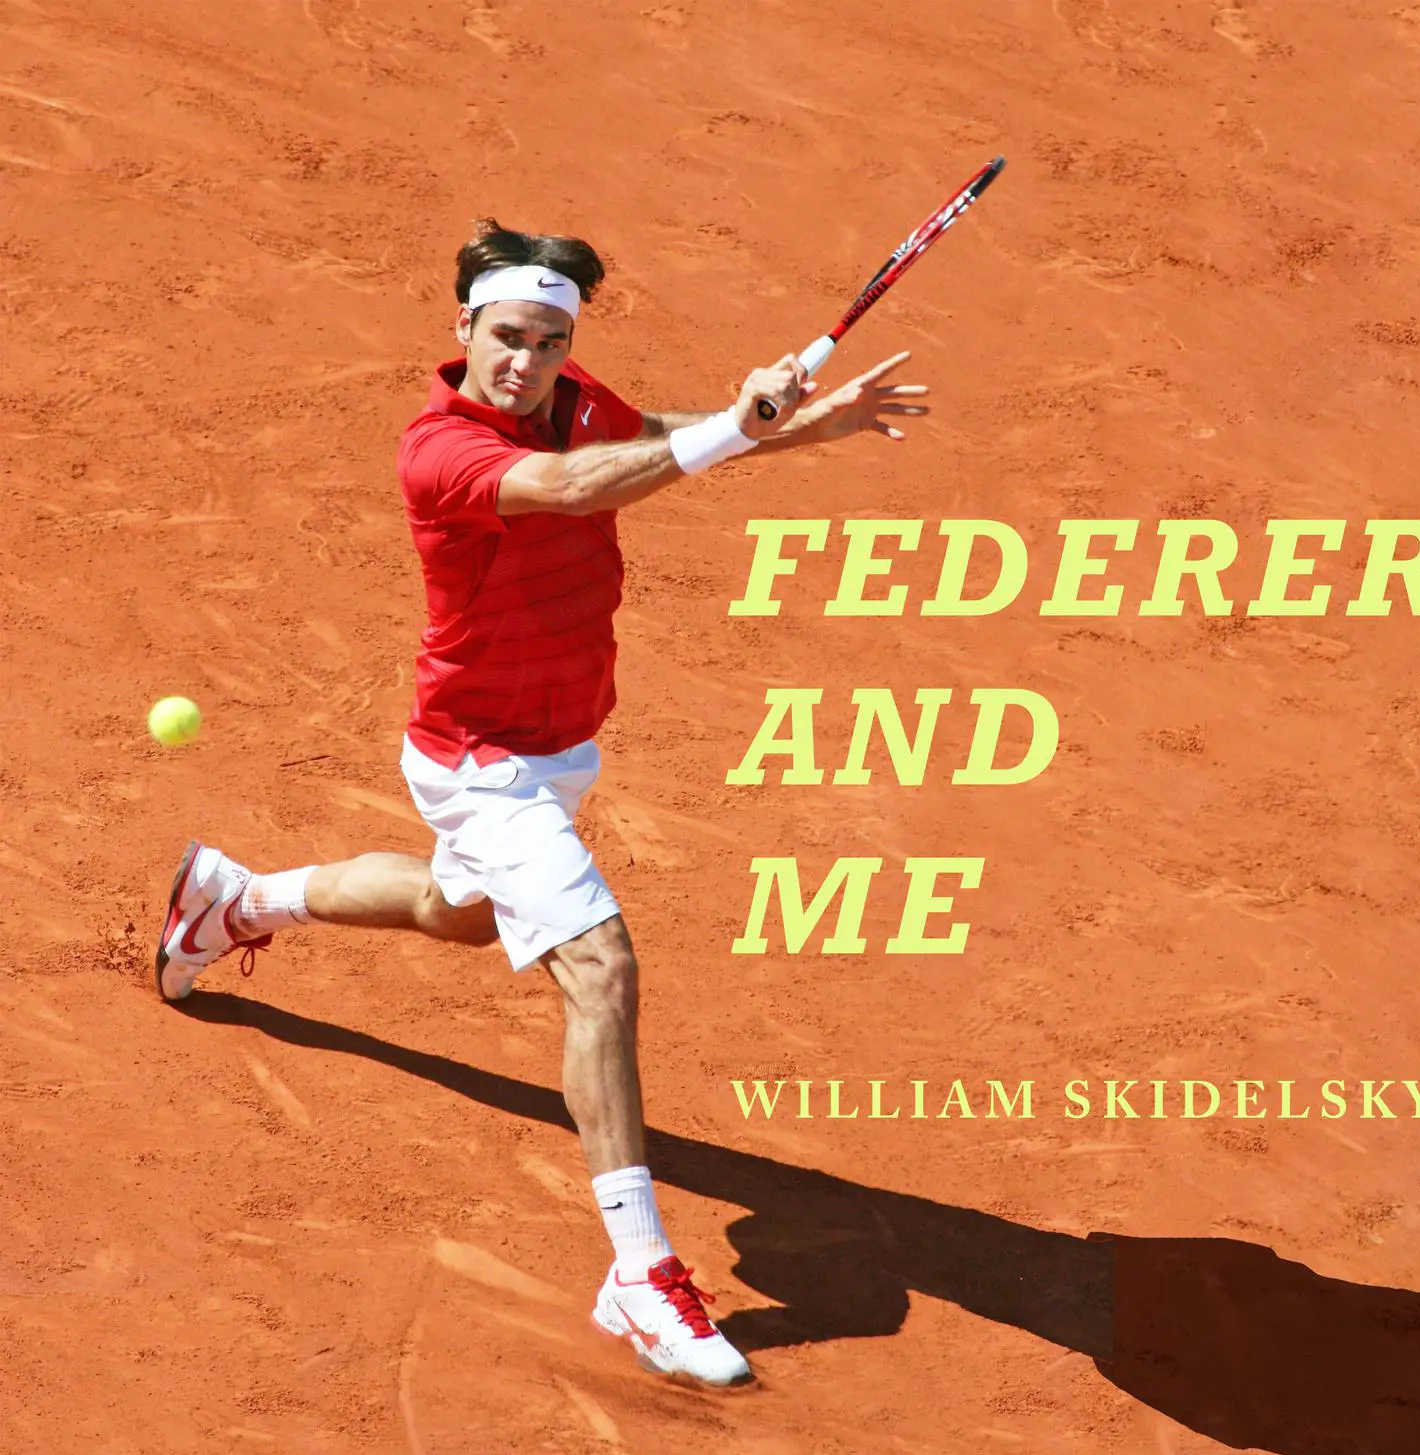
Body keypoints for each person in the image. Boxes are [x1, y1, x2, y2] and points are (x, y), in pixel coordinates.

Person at [153, 220, 930, 1388]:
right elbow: (570, 489)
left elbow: (643, 439)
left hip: (559, 749)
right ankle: (641, 1274)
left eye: (550, 343)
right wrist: (740, 425)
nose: (526, 362)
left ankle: (235, 900)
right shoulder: (441, 450)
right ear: (464, 327)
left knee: (455, 912)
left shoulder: (574, 404)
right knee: (600, 966)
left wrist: (788, 423)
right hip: (481, 760)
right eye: (508, 337)